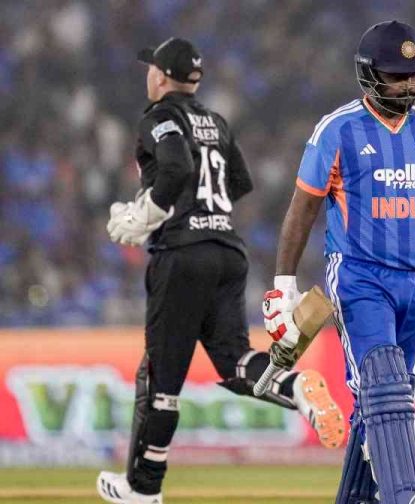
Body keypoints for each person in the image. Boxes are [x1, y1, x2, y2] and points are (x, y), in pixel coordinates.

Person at [261, 20, 415, 504]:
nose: (411, 84)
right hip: (358, 276)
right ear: (369, 74)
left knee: (382, 404)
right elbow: (303, 209)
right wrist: (283, 286)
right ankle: (406, 497)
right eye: (399, 75)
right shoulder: (337, 130)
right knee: (384, 385)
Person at [97, 38, 343, 504]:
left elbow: (173, 168)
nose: (147, 74)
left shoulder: (160, 117)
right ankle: (297, 388)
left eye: (150, 67)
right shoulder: (217, 121)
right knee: (235, 363)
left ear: (162, 76)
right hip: (228, 252)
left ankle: (142, 489)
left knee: (160, 380)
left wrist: (146, 213)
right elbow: (239, 183)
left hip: (182, 255)